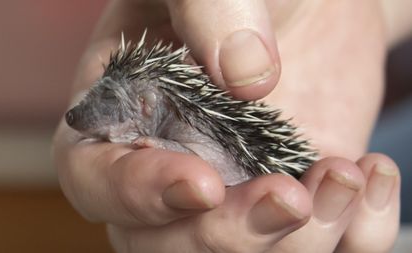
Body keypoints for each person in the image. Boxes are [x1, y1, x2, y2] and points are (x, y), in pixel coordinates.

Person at [53, 1, 411, 252]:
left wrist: (157, 145)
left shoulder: (189, 133)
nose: (84, 116)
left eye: (111, 104)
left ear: (146, 104)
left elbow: (198, 160)